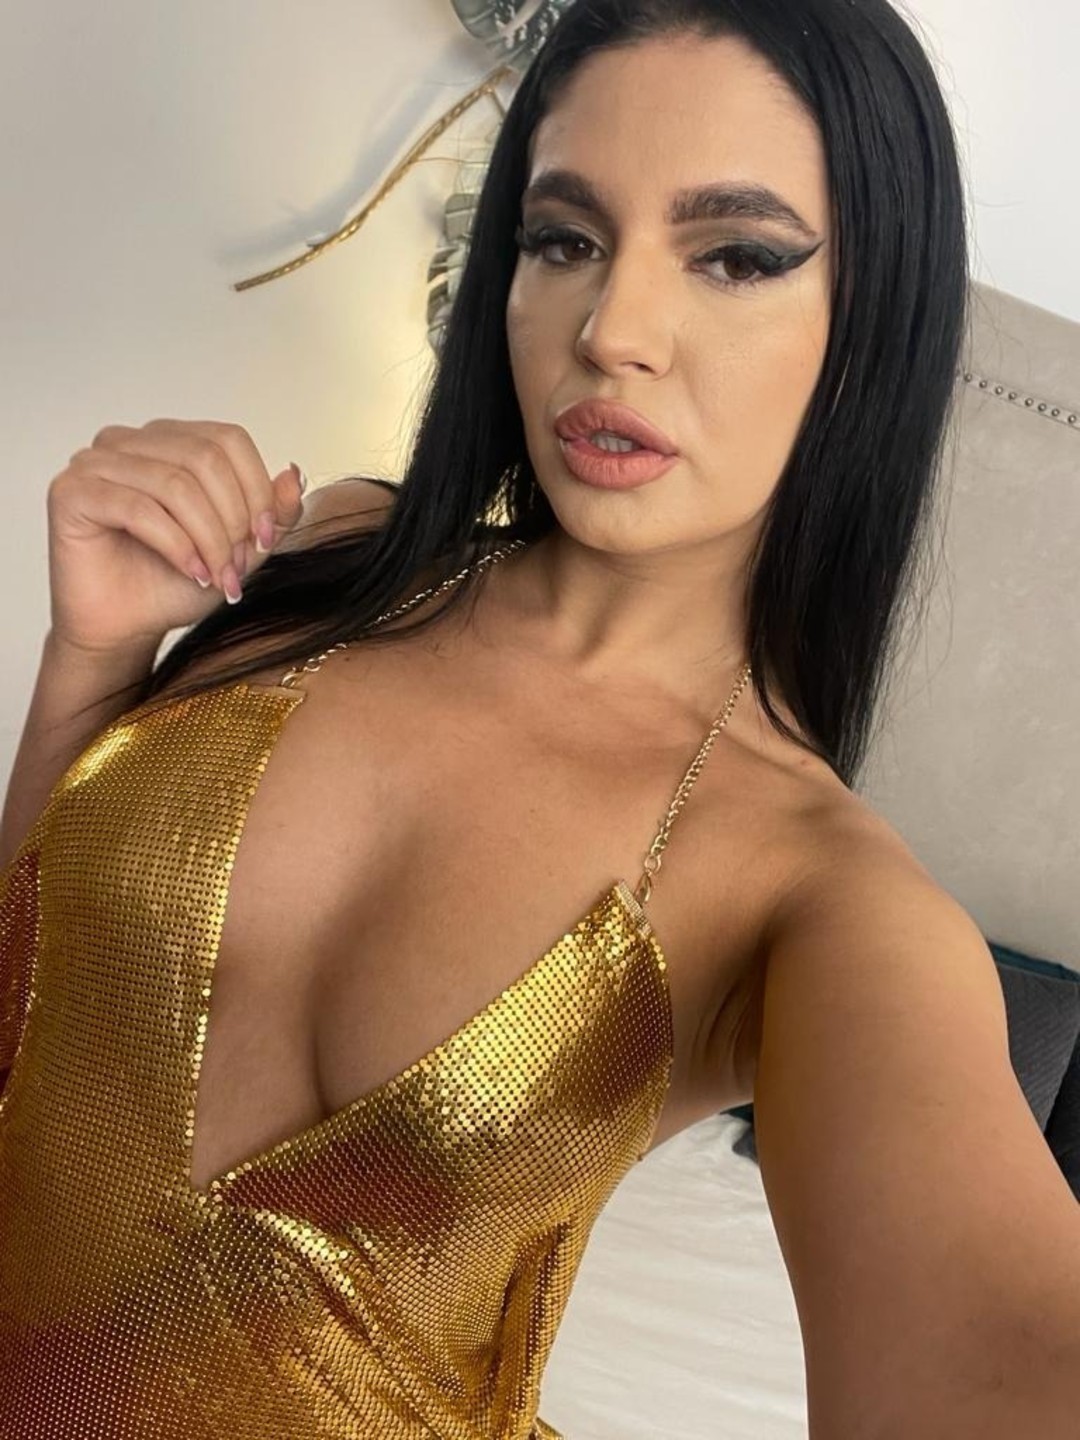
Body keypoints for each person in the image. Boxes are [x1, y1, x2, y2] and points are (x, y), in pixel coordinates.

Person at [1, 0, 1078, 1435]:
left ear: (872, 323)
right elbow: (39, 997)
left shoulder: (819, 905)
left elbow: (1002, 1344)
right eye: (565, 239)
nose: (610, 331)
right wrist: (92, 661)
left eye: (737, 256)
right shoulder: (339, 555)